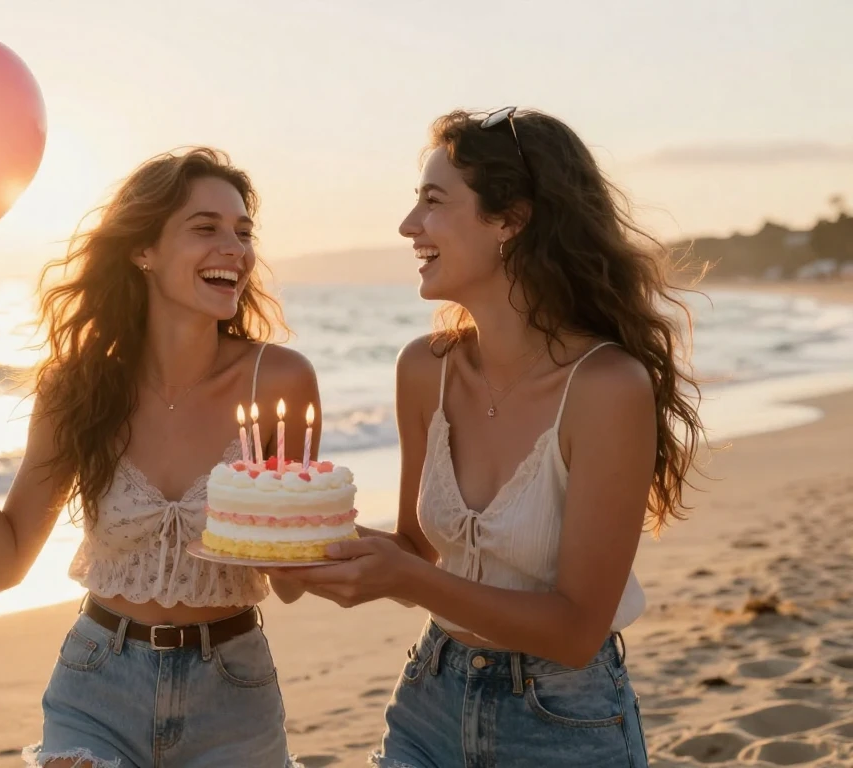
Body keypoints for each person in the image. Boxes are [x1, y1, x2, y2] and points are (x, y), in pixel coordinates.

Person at [278, 108, 705, 767]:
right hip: (429, 698)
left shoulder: (606, 388)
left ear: (512, 220)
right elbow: (421, 551)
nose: (407, 225)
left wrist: (408, 576)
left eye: (433, 201)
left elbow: (574, 630)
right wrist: (315, 549)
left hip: (562, 721)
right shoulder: (424, 368)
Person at [0, 147, 316, 768]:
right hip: (96, 685)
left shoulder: (279, 381)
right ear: (142, 250)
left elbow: (289, 587)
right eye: (205, 229)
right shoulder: (79, 386)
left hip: (233, 693)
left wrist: (297, 527)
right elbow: (3, 565)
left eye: (242, 232)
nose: (234, 248)